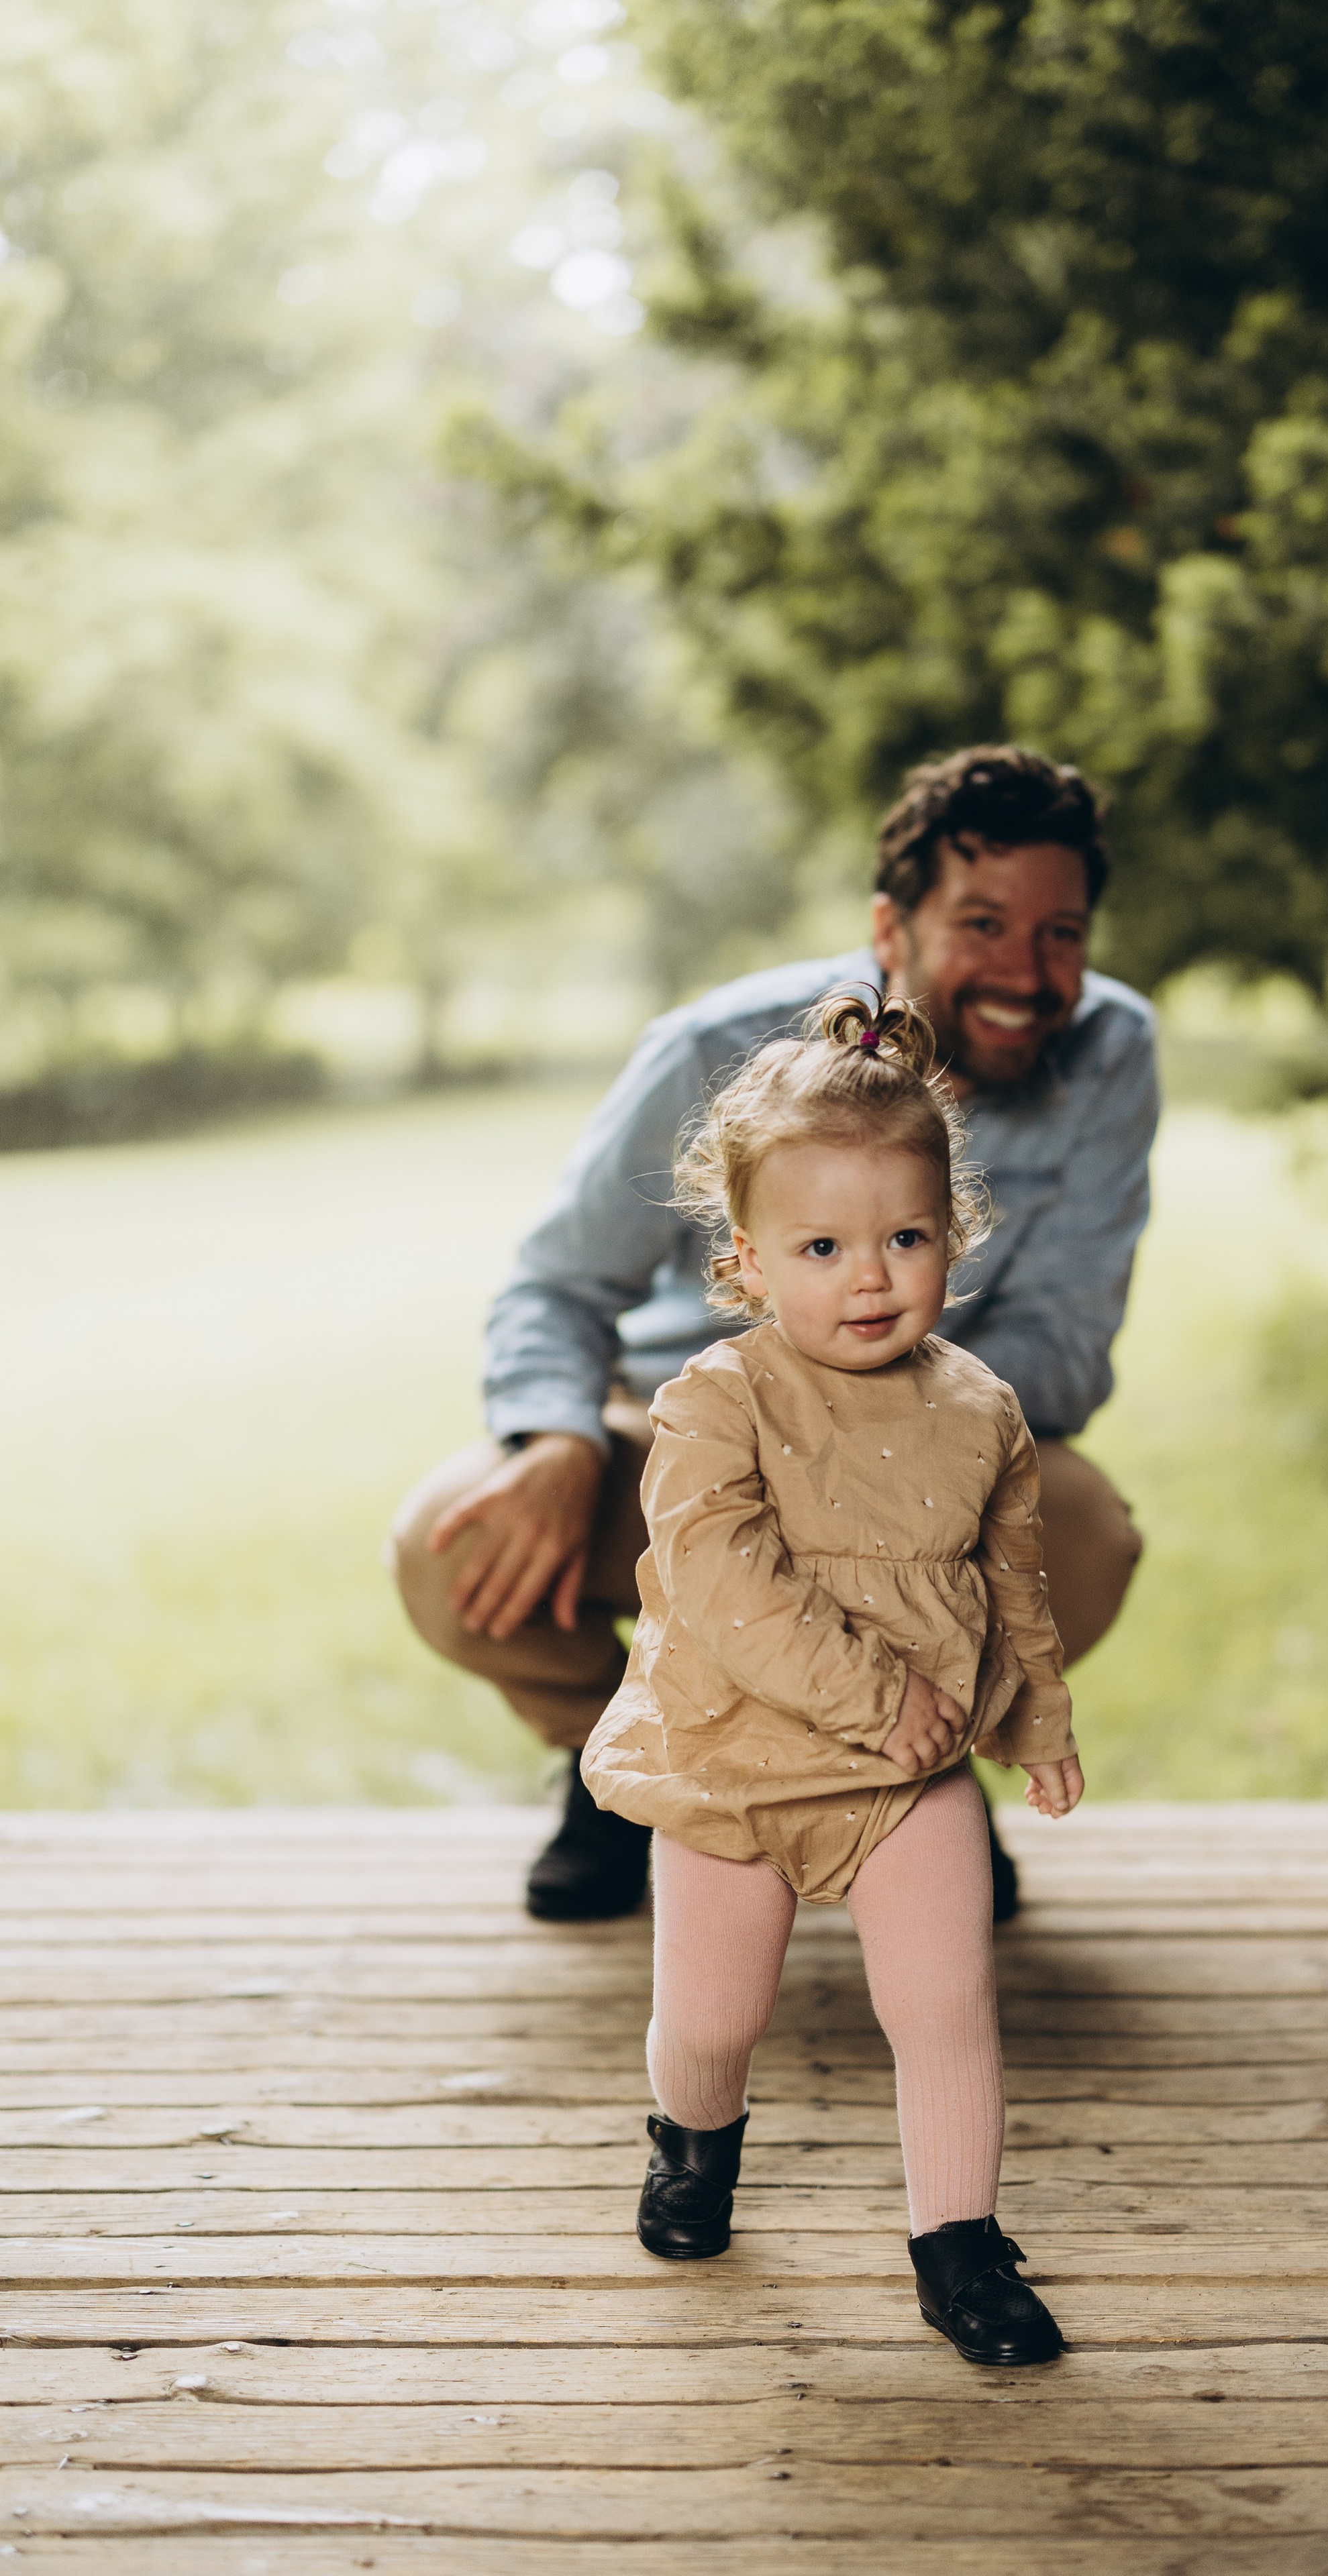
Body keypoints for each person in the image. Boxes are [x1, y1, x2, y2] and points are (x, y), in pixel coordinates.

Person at [389, 743, 1158, 1920]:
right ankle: (635, 1767)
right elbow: (555, 1283)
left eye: (1062, 932)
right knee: (451, 1545)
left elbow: (1065, 1346)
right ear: (890, 930)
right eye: (985, 924)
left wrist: (874, 1435)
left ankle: (925, 1760)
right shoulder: (716, 1048)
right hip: (679, 1434)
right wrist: (555, 1439)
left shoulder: (1113, 1055)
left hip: (930, 1436)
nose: (1029, 969)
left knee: (1089, 1529)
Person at [584, 989, 1078, 2362]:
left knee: (942, 2004)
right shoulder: (713, 1404)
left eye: (903, 1238)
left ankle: (959, 2248)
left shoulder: (977, 1407)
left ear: (949, 1238)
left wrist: (1035, 1715)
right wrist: (879, 1697)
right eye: (821, 1246)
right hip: (733, 1761)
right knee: (712, 2011)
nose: (869, 1278)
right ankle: (692, 2136)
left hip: (908, 1778)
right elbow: (729, 1590)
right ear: (746, 1262)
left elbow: (1011, 1580)